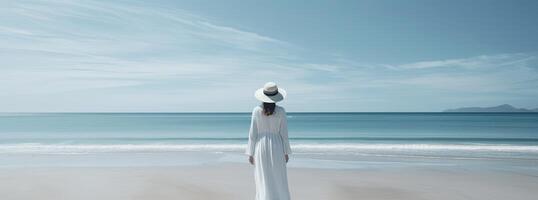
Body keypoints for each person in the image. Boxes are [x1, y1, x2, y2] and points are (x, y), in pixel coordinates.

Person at [246, 82, 292, 200]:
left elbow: (252, 133)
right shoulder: (281, 111)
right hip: (277, 146)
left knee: (263, 178)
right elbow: (284, 134)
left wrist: (250, 153)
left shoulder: (256, 110)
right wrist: (286, 151)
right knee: (278, 177)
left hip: (260, 146)